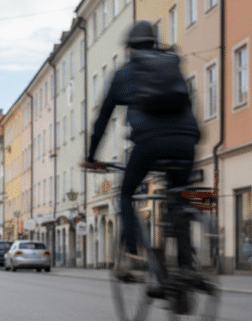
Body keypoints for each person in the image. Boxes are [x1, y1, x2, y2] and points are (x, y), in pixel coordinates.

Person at [83, 20, 201, 292]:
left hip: (149, 143)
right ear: (153, 42)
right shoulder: (172, 64)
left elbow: (103, 118)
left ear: (130, 48)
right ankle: (185, 269)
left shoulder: (125, 72)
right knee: (178, 196)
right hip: (186, 141)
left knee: (126, 194)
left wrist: (91, 156)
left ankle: (134, 253)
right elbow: (189, 101)